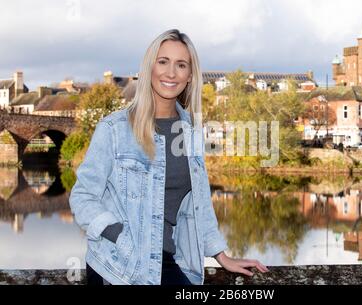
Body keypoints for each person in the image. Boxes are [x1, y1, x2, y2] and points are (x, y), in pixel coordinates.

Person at [69, 29, 269, 285]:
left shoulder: (191, 131)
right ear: (149, 67)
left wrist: (221, 255)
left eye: (181, 65)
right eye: (163, 62)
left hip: (164, 260)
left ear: (190, 76)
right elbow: (83, 197)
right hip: (117, 264)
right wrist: (121, 236)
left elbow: (200, 203)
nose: (171, 73)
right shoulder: (114, 129)